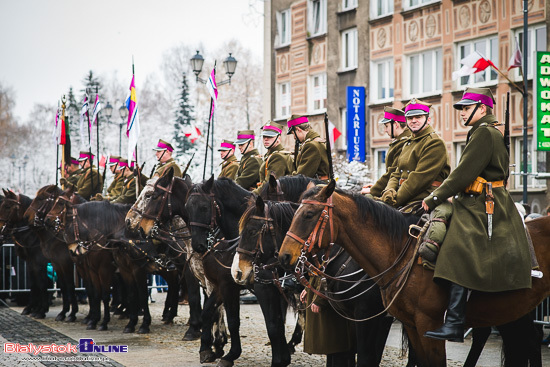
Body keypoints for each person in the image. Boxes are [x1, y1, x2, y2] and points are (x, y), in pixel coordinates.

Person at [422, 87, 531, 342]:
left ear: (482, 108)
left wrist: (434, 197)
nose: (461, 113)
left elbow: (462, 173)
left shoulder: (483, 133)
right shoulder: (484, 131)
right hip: (478, 199)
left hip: (485, 204)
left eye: (466, 108)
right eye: (460, 108)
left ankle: (455, 322)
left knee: (457, 244)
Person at [381, 99, 450, 207]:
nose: (413, 120)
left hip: (422, 200)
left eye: (418, 117)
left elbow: (418, 180)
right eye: (410, 118)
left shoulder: (434, 142)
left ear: (428, 120)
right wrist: (388, 191)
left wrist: (393, 202)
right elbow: (396, 174)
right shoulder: (408, 142)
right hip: (406, 198)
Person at [300, 278, 356, 367]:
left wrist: (319, 298)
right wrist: (308, 287)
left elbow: (330, 272)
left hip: (335, 296)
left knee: (338, 345)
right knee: (332, 348)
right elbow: (318, 270)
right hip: (324, 291)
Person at [362, 107, 410, 196]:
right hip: (393, 187)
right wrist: (377, 187)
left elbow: (392, 172)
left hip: (400, 190)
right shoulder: (399, 141)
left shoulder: (403, 143)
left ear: (396, 124)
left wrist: (373, 190)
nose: (385, 130)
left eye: (387, 126)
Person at [287, 115, 329, 180]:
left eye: (293, 133)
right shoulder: (315, 141)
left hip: (317, 186)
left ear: (298, 129)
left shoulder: (311, 146)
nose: (294, 137)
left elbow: (302, 175)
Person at [255, 121, 293, 191]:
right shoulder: (271, 154)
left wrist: (252, 195)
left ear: (278, 138)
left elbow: (269, 184)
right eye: (264, 136)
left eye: (270, 136)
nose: (266, 139)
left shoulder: (278, 157)